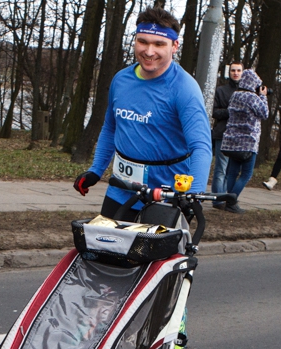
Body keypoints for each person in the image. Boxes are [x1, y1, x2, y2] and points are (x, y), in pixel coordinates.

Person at [72, 7, 212, 219]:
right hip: (122, 190)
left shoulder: (185, 88)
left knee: (151, 252)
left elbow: (201, 146)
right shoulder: (121, 80)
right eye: (143, 41)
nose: (149, 51)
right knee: (104, 249)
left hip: (166, 195)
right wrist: (96, 170)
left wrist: (193, 194)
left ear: (174, 46)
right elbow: (111, 128)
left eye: (159, 44)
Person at [219, 69, 269, 214]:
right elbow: (264, 114)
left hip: (232, 141)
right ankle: (231, 201)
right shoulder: (252, 97)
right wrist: (263, 96)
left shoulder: (235, 95)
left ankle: (230, 200)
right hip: (248, 142)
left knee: (233, 172)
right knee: (246, 174)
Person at [210, 61, 243, 209]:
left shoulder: (246, 92)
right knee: (221, 169)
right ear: (229, 73)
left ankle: (227, 197)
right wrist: (231, 111)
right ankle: (218, 199)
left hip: (239, 136)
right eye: (233, 70)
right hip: (222, 133)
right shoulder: (221, 90)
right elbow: (214, 111)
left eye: (238, 70)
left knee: (232, 170)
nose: (235, 73)